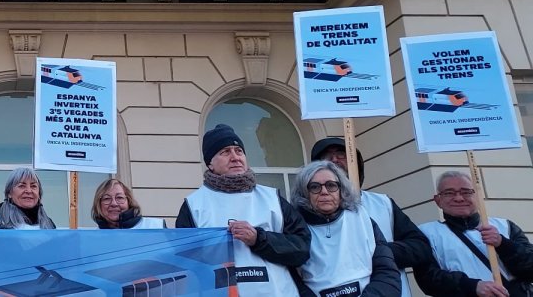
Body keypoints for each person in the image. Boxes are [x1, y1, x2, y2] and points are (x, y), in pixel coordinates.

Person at [175, 124, 310, 297]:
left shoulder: (272, 198)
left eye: (239, 151)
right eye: (225, 152)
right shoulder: (194, 206)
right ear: (210, 164)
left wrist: (258, 239)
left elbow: (301, 248)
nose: (235, 157)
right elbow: (186, 263)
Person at [312, 137, 431, 297]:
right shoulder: (308, 213)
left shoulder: (383, 204)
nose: (334, 159)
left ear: (356, 163)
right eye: (327, 156)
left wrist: (376, 252)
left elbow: (419, 247)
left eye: (341, 154)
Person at [290, 160, 402, 297]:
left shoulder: (362, 219)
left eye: (331, 185)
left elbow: (387, 273)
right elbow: (291, 282)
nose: (324, 192)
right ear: (304, 193)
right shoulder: (294, 229)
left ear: (341, 190)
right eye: (314, 187)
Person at [414, 171, 533, 297]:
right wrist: (472, 286)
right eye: (449, 193)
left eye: (466, 192)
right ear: (438, 200)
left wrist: (503, 244)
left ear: (477, 196)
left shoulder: (505, 226)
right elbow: (428, 279)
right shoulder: (426, 233)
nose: (459, 198)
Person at [0, 167, 55, 236]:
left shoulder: (49, 224)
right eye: (22, 186)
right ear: (9, 193)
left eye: (33, 186)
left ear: (39, 194)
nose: (29, 191)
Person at [90, 178, 166, 230]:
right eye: (106, 198)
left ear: (129, 201)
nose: (113, 203)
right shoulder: (91, 239)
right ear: (98, 204)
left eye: (119, 197)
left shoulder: (155, 227)